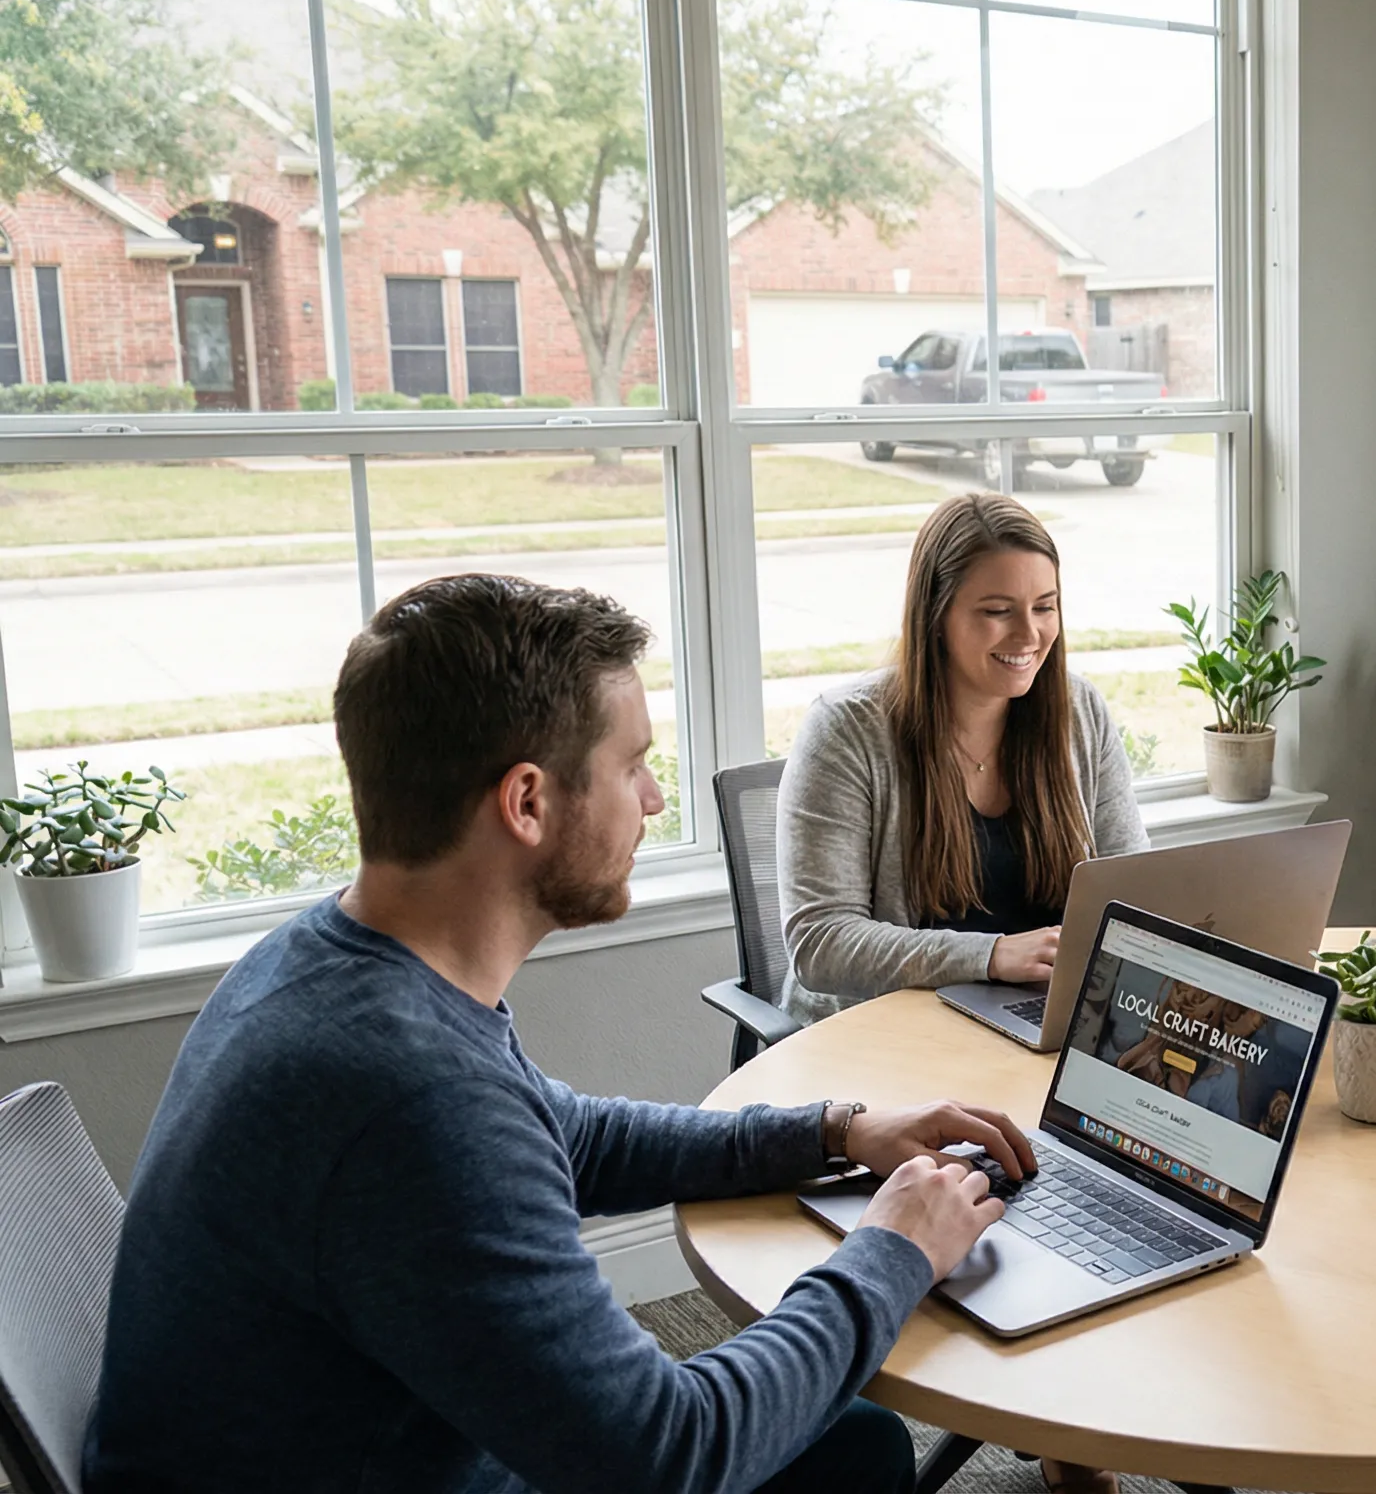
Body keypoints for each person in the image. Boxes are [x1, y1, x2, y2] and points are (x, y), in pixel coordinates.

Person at [86, 574, 1030, 1494]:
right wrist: (894, 1248)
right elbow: (672, 1453)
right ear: (528, 802)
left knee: (847, 1444)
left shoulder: (334, 961)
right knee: (842, 1453)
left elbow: (561, 1133)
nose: (655, 801)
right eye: (632, 765)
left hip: (360, 1438)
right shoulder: (407, 1092)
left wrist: (834, 1131)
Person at [781, 491, 1148, 1024]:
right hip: (887, 1033)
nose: (1029, 635)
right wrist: (993, 956)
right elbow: (822, 943)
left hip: (1043, 1017)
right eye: (998, 612)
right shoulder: (847, 731)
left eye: (1045, 607)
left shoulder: (1077, 710)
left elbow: (1131, 888)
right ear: (936, 614)